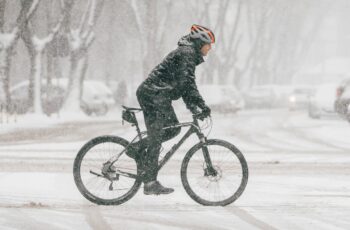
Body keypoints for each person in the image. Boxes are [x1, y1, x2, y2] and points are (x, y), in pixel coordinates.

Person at [127, 24, 215, 195]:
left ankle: (138, 149)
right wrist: (201, 105)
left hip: (158, 95)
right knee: (157, 135)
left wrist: (194, 106)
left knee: (173, 129)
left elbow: (184, 86)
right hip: (153, 94)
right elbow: (187, 84)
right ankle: (150, 182)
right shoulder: (187, 54)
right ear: (200, 42)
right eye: (208, 44)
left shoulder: (188, 53)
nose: (210, 48)